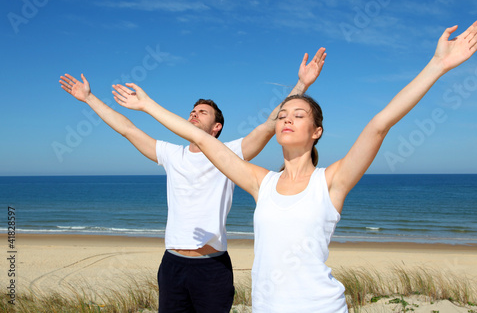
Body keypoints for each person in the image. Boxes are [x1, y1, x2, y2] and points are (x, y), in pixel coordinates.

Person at [111, 19, 477, 312]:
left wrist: (437, 65)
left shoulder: (332, 182)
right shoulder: (261, 183)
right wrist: (149, 106)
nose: (286, 119)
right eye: (283, 114)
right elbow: (206, 142)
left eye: (299, 114)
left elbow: (380, 123)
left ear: (316, 131)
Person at [59, 47, 327, 312]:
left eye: (203, 112)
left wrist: (302, 83)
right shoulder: (171, 155)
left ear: (216, 127)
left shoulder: (231, 154)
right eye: (193, 111)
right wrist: (89, 98)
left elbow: (271, 125)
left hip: (211, 267)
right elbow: (128, 129)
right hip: (172, 266)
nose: (194, 114)